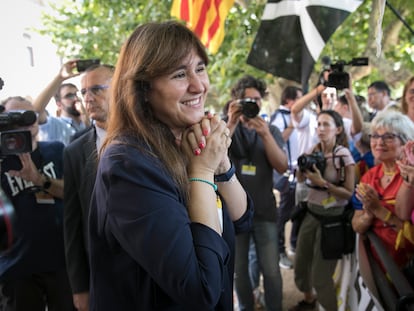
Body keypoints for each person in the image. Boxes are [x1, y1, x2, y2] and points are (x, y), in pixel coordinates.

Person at [87, 21, 253, 311]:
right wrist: (201, 172)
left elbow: (243, 219)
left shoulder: (187, 141)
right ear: (144, 90)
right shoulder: (129, 164)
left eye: (200, 69)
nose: (199, 85)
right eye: (179, 74)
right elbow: (201, 289)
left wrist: (221, 164)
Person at [0, 97, 75, 311]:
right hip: (15, 267)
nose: (27, 121)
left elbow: (72, 193)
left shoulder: (55, 149)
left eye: (30, 114)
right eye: (16, 117)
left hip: (60, 262)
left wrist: (39, 179)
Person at [226, 75, 287, 311]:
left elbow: (282, 166)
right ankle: (245, 307)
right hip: (234, 214)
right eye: (247, 99)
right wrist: (231, 123)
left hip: (264, 210)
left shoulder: (270, 129)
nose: (253, 103)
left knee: (271, 269)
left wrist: (265, 135)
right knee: (238, 271)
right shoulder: (225, 127)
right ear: (236, 101)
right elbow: (211, 157)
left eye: (257, 99)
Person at [289, 110, 355, 311]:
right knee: (300, 266)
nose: (321, 128)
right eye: (318, 124)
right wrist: (302, 168)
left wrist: (323, 183)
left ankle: (329, 308)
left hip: (333, 220)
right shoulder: (312, 150)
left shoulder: (342, 155)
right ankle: (309, 300)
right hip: (311, 213)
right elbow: (300, 180)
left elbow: (348, 193)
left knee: (321, 276)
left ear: (338, 129)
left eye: (326, 124)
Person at [63, 64, 114, 311]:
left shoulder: (149, 138)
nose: (88, 98)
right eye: (83, 92)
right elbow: (72, 224)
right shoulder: (74, 152)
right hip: (101, 275)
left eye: (96, 89)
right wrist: (79, 287)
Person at [352, 110, 414, 275]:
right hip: (375, 262)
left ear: (406, 143)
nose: (379, 142)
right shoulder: (369, 176)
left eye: (388, 137)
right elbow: (356, 225)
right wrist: (368, 214)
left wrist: (380, 211)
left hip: (405, 266)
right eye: (374, 136)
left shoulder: (410, 177)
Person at [270, 85, 303, 269]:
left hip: (299, 173)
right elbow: (278, 139)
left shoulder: (298, 117)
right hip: (286, 173)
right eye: (299, 98)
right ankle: (280, 250)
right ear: (289, 101)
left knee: (297, 210)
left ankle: (294, 244)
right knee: (283, 214)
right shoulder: (280, 116)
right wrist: (292, 122)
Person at [33, 60, 90, 145]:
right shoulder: (54, 124)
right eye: (69, 96)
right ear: (59, 104)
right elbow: (36, 111)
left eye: (77, 94)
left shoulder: (89, 120)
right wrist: (60, 78)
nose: (76, 98)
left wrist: (85, 117)